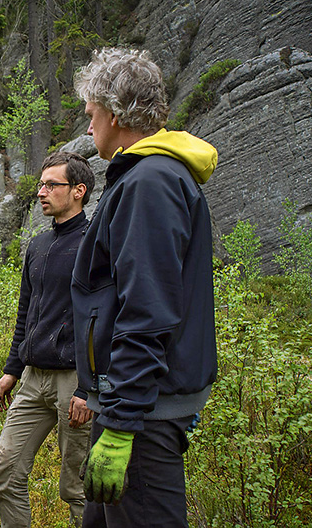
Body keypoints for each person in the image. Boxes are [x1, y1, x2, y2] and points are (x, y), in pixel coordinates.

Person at [71, 47, 218, 527]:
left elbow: (147, 309)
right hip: (131, 403)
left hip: (141, 414)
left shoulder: (150, 182)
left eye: (91, 114)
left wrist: (120, 425)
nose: (88, 127)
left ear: (114, 115)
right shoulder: (145, 176)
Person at [0, 151, 96, 527]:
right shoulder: (37, 245)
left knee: (78, 487)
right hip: (33, 378)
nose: (41, 192)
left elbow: (103, 320)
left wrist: (89, 388)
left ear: (79, 191)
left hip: (76, 380)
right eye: (40, 184)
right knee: (5, 471)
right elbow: (26, 312)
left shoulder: (96, 243)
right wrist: (12, 369)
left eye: (52, 185)